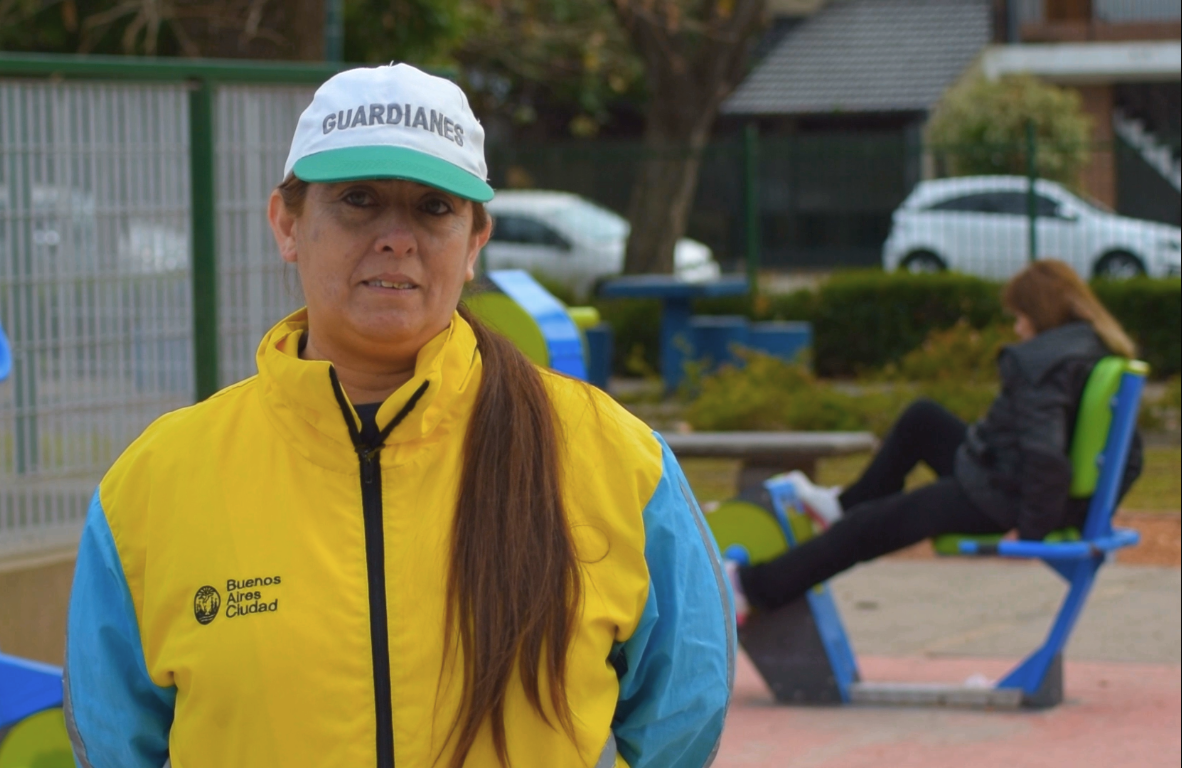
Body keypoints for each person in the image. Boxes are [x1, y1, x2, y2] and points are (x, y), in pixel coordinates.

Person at [63, 63, 732, 768]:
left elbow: (684, 713)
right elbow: (113, 744)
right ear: (287, 224)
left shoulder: (615, 461)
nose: (396, 237)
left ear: (475, 240)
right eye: (358, 199)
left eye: (433, 208)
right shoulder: (157, 482)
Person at [730, 259, 1144, 616]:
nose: (1017, 329)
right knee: (922, 419)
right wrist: (1086, 510)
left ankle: (751, 590)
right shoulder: (1096, 350)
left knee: (867, 528)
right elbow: (1133, 457)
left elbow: (1045, 455)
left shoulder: (1039, 364)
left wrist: (1035, 528)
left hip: (1003, 499)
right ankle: (839, 505)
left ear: (1041, 315)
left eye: (1020, 317)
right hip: (1009, 479)